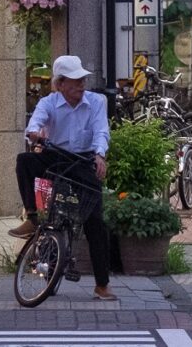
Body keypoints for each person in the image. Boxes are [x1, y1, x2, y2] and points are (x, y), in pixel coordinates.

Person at [12, 54, 115, 300]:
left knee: (96, 223)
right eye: (75, 81)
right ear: (60, 84)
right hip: (56, 156)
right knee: (24, 161)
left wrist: (100, 155)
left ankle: (102, 285)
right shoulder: (49, 102)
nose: (81, 85)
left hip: (83, 160)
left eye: (82, 80)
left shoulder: (96, 102)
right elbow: (34, 125)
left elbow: (102, 131)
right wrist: (35, 134)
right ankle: (32, 217)